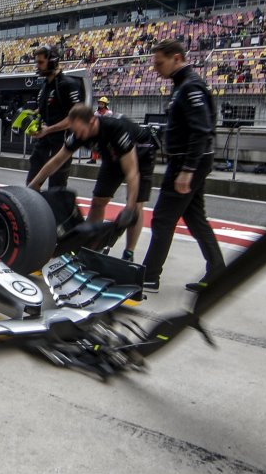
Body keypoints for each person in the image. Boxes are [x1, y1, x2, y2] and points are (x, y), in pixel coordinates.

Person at [140, 40, 224, 294]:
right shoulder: (182, 86)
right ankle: (218, 270)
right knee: (195, 217)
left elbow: (201, 131)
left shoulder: (191, 87)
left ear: (176, 58)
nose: (156, 68)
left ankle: (149, 276)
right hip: (189, 160)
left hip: (189, 161)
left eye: (159, 62)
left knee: (163, 219)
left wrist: (187, 169)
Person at [28, 102, 155, 260]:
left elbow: (132, 173)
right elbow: (57, 160)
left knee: (136, 206)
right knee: (98, 202)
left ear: (92, 121)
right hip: (112, 156)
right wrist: (35, 184)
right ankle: (90, 245)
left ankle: (129, 253)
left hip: (140, 153)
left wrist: (129, 208)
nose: (78, 136)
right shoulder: (78, 133)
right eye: (75, 131)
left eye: (80, 131)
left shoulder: (116, 129)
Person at [26, 44, 85, 188]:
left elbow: (74, 119)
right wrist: (32, 119)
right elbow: (43, 111)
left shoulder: (67, 84)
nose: (38, 66)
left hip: (61, 143)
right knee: (31, 184)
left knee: (56, 189)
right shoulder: (45, 85)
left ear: (52, 61)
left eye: (40, 62)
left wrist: (48, 129)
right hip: (43, 142)